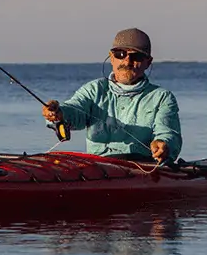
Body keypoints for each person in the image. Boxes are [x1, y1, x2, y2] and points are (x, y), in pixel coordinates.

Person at [42, 28, 181, 163]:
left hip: (142, 170)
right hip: (96, 169)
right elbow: (75, 110)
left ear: (148, 62)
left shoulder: (162, 97)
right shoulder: (94, 89)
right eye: (120, 54)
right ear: (111, 58)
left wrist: (164, 145)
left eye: (136, 56)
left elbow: (168, 134)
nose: (127, 62)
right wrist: (58, 113)